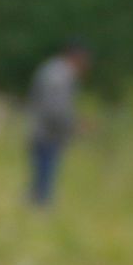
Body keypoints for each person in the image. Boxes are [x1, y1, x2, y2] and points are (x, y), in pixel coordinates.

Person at [27, 42, 91, 207]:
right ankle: (37, 213)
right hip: (48, 134)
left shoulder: (50, 70)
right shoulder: (61, 76)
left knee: (38, 178)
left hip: (39, 129)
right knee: (43, 183)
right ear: (77, 57)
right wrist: (74, 125)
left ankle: (31, 211)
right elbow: (56, 110)